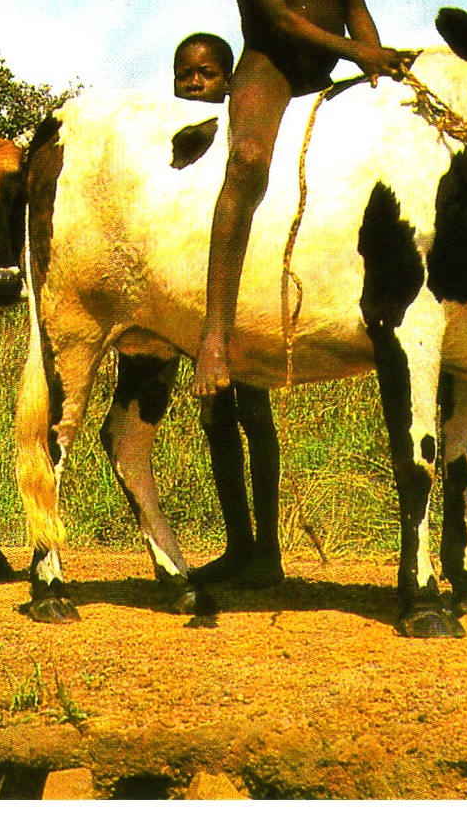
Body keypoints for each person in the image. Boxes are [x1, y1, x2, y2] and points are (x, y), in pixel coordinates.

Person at [192, 0, 411, 397]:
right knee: (248, 163)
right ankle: (215, 335)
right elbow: (282, 23)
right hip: (273, 68)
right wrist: (359, 54)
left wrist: (379, 68)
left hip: (336, 58)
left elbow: (356, 5)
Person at [173, 33, 283, 587]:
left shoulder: (240, 133)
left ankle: (268, 549)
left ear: (230, 81)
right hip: (197, 299)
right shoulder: (171, 144)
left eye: (207, 74)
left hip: (244, 296)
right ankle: (240, 542)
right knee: (215, 419)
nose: (195, 84)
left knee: (255, 418)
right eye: (185, 75)